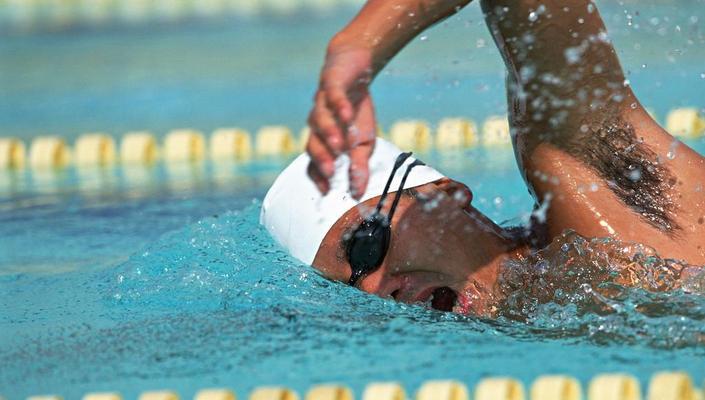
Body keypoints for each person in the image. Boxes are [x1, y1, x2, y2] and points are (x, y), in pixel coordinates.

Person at [261, 0, 705, 316]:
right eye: (352, 291)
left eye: (366, 244)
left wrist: (357, 46)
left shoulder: (599, 196)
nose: (378, 289)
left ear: (446, 193)